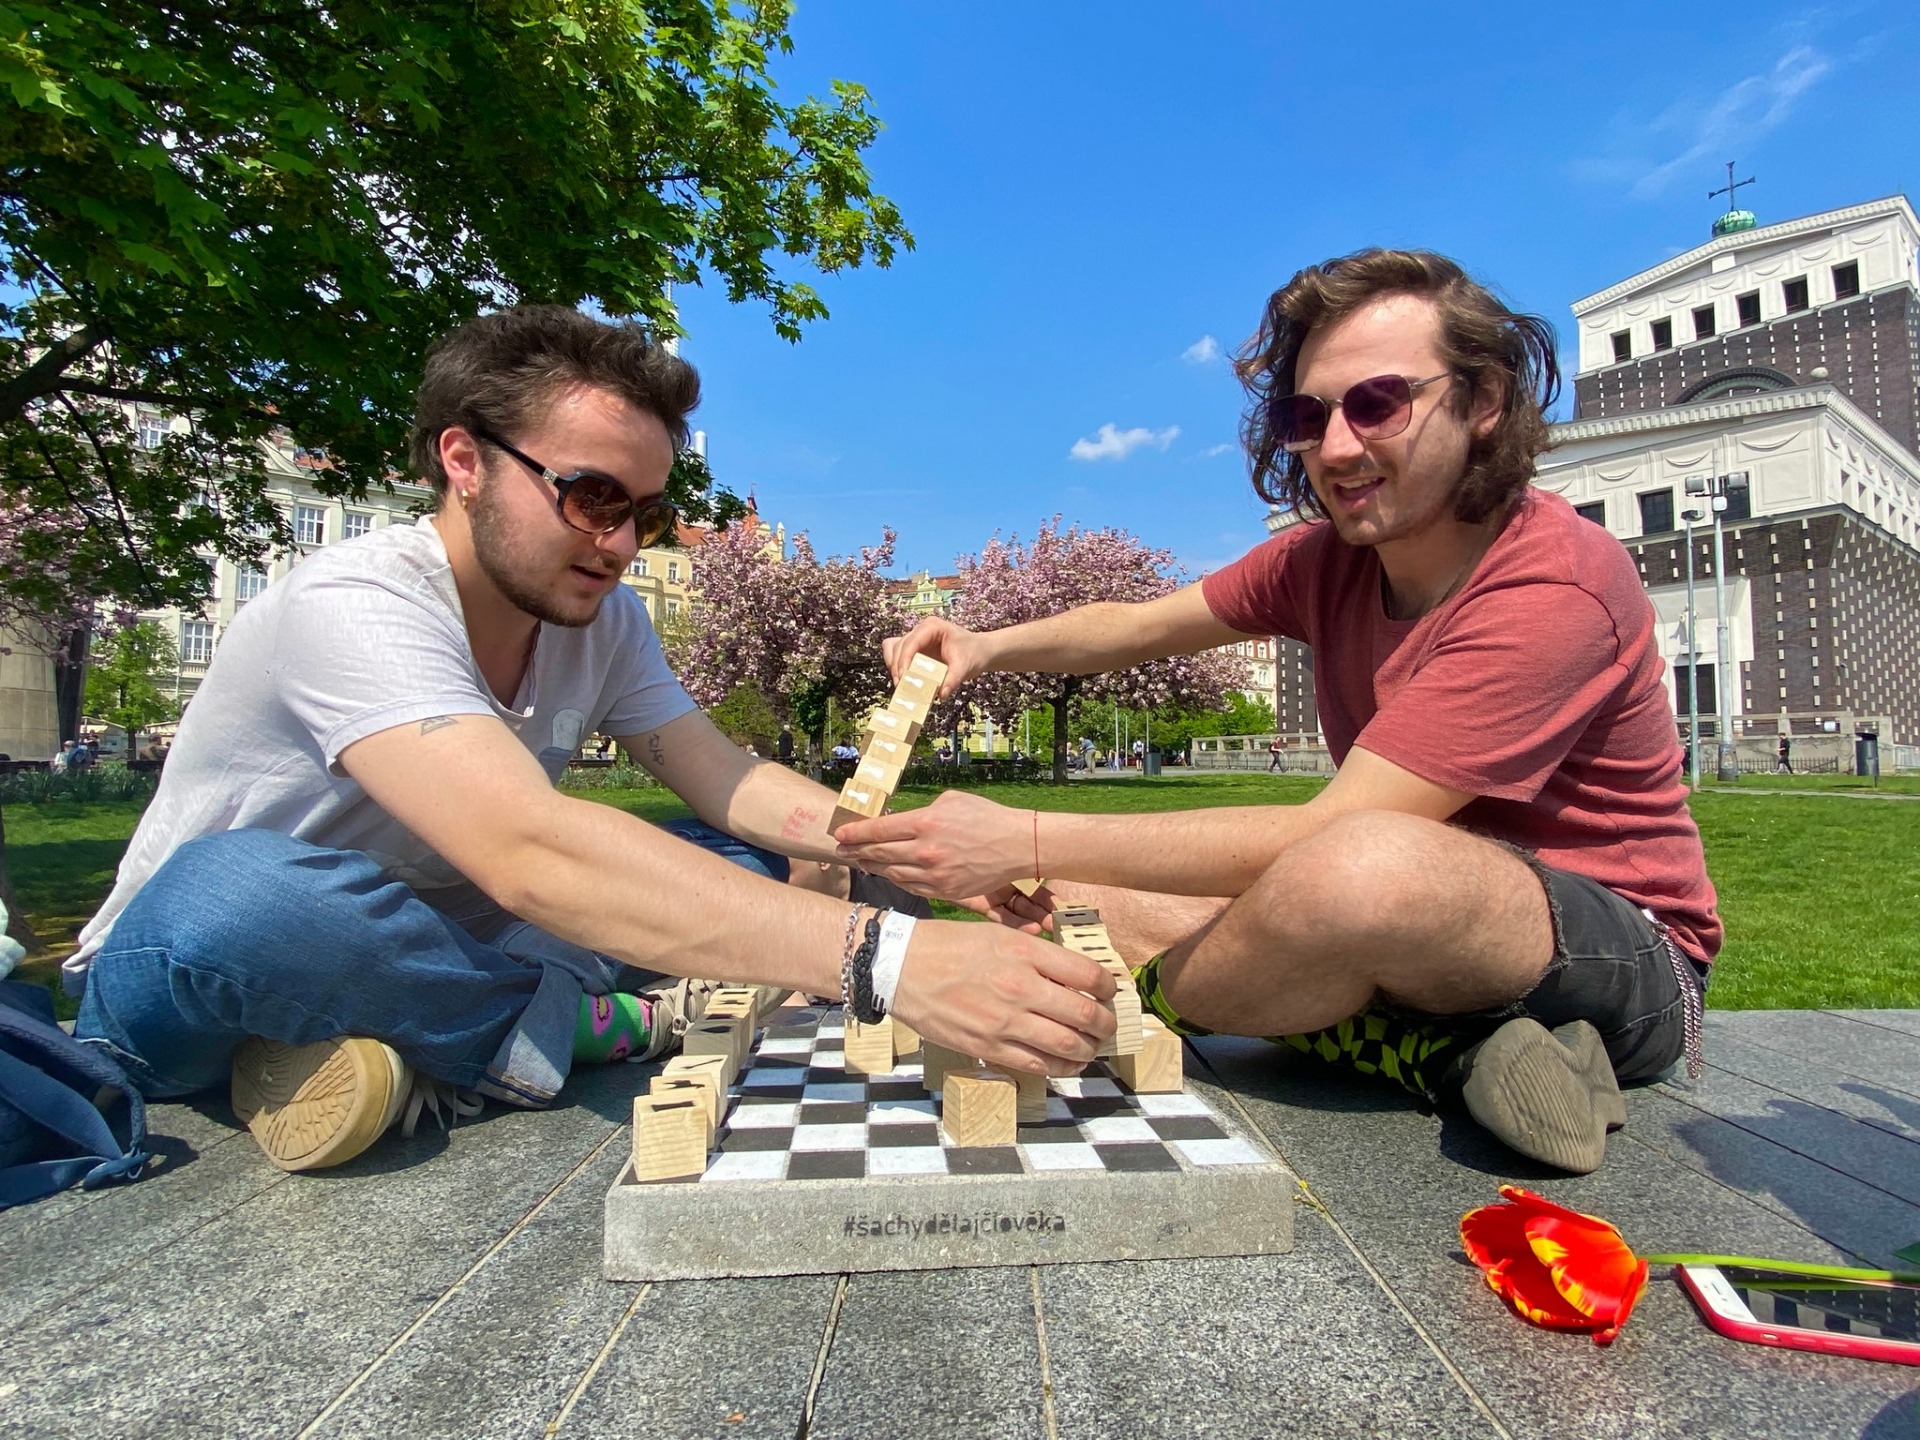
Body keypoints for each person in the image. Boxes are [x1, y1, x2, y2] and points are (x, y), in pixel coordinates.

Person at [67, 305, 1112, 1175]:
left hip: (457, 938)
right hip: (201, 969)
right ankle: (591, 1023)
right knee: (239, 895)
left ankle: (410, 1046)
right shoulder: (352, 602)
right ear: (465, 460)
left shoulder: (605, 620)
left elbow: (724, 776)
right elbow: (527, 848)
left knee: (724, 851)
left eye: (645, 515)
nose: (617, 545)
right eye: (588, 497)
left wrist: (913, 856)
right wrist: (885, 961)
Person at [838, 249, 1719, 1176]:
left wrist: (1025, 833)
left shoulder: (1554, 583)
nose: (1337, 447)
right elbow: (1136, 623)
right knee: (1062, 905)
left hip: (1624, 963)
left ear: (1485, 399)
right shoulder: (1323, 560)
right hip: (1386, 923)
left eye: (1380, 403)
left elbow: (1337, 834)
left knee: (1361, 866)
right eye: (1309, 415)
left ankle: (1154, 1009)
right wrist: (984, 645)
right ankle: (1439, 1052)